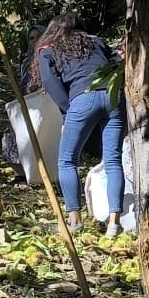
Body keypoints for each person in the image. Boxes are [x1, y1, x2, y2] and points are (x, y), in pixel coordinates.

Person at [36, 15, 125, 239]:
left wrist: (67, 111)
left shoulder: (49, 48)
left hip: (83, 98)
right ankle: (114, 223)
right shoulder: (96, 41)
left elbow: (49, 81)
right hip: (114, 97)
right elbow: (117, 62)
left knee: (67, 160)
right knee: (112, 160)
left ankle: (74, 219)